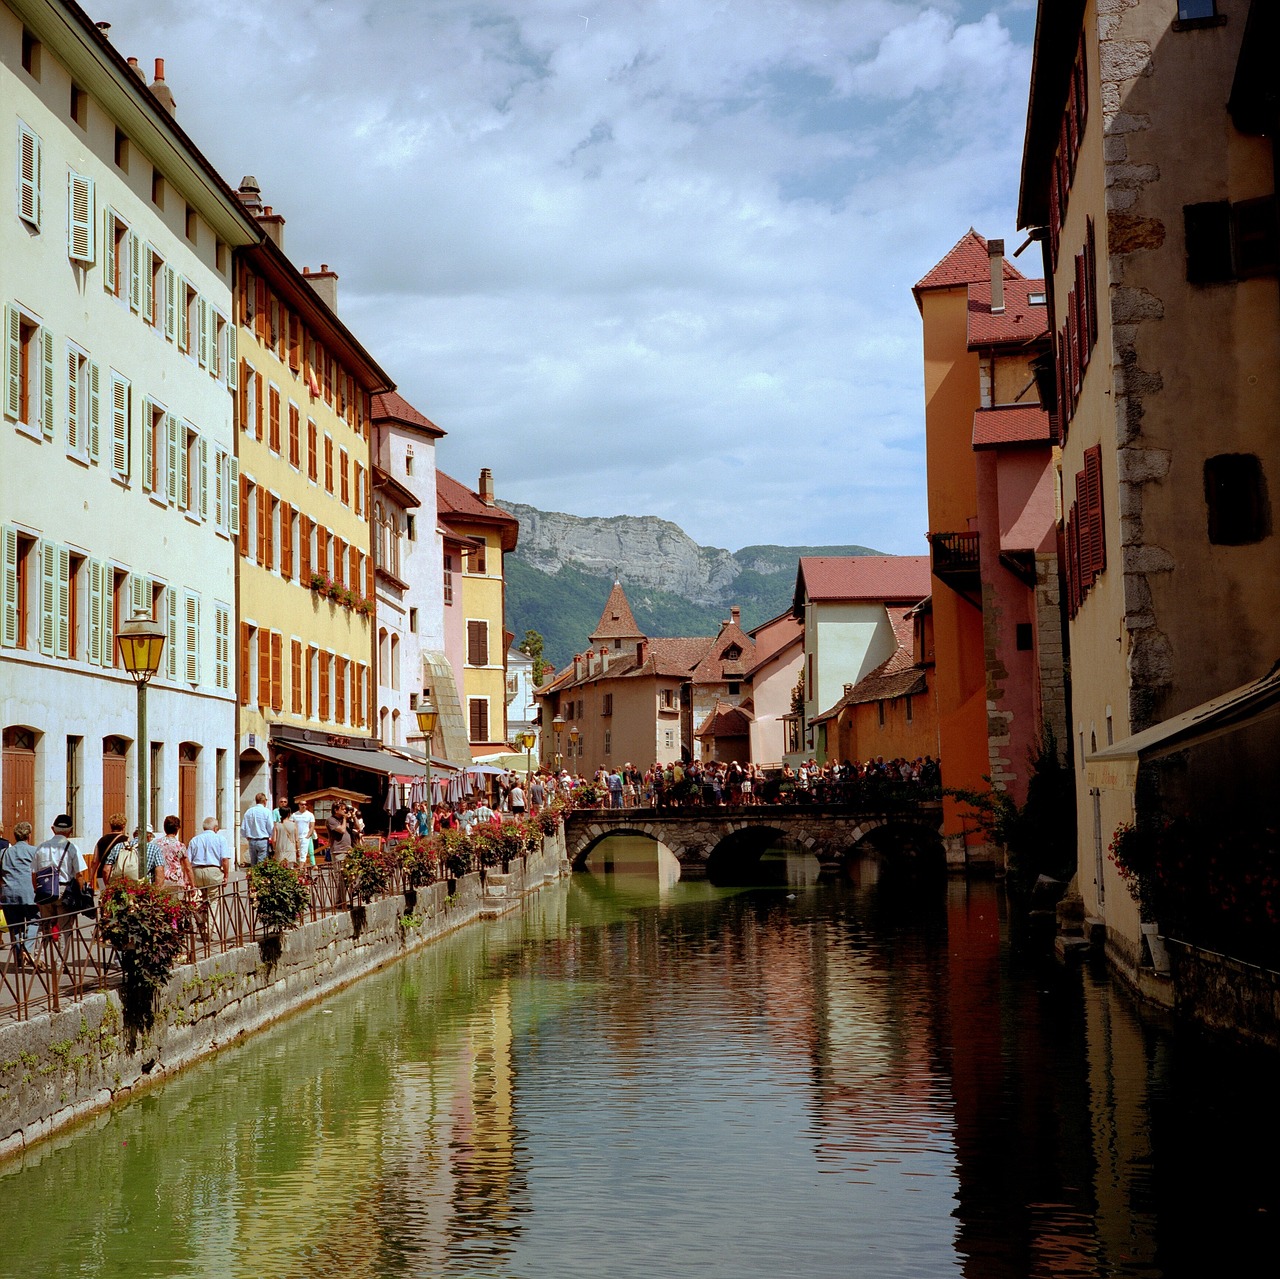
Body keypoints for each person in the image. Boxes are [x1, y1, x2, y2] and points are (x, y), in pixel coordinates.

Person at [32, 815, 89, 948]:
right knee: (64, 929)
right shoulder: (72, 847)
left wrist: (37, 891)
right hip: (64, 891)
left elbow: (34, 874)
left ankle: (38, 959)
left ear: (53, 829)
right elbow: (79, 874)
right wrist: (80, 894)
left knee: (43, 926)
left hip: (45, 890)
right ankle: (59, 964)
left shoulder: (41, 847)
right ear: (70, 831)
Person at [0, 821, 39, 969]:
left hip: (8, 894)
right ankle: (27, 951)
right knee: (35, 921)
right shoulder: (34, 851)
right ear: (29, 835)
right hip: (29, 894)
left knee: (15, 927)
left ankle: (19, 957)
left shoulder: (4, 853)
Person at [149, 815, 194, 896]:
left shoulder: (156, 843)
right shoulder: (180, 846)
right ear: (177, 829)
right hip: (176, 881)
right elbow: (188, 867)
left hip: (159, 881)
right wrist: (192, 885)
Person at [92, 813, 127, 894]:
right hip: (118, 875)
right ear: (123, 826)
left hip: (101, 875)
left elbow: (94, 861)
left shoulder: (101, 840)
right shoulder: (126, 840)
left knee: (104, 896)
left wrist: (91, 878)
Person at [240, 792, 273, 866]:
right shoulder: (267, 811)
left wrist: (247, 836)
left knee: (253, 863)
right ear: (265, 801)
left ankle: (253, 876)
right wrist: (271, 836)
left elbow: (243, 828)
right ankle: (260, 877)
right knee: (262, 863)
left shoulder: (249, 811)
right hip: (263, 840)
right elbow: (270, 827)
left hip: (252, 840)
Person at [292, 798, 316, 866]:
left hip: (305, 837)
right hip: (296, 837)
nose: (304, 806)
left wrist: (307, 836)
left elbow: (312, 826)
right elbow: (291, 825)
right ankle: (302, 869)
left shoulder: (310, 815)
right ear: (299, 805)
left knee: (303, 854)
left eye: (305, 804)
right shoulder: (294, 815)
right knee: (296, 854)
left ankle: (301, 870)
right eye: (302, 804)